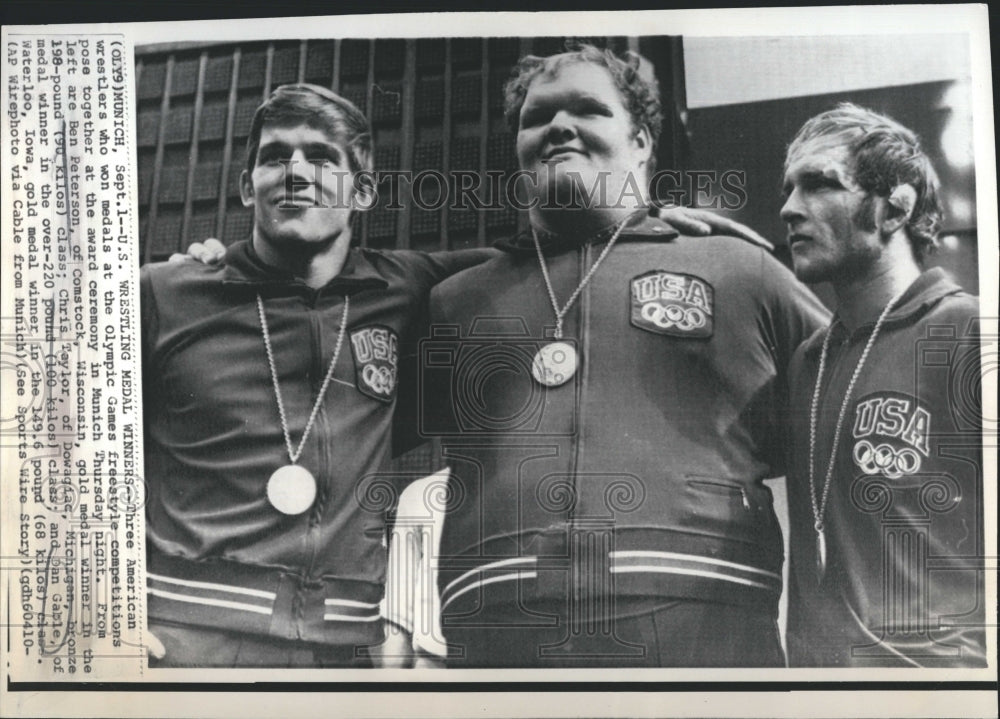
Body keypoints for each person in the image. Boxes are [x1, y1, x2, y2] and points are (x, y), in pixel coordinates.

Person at [421, 45, 828, 667]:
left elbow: (858, 412)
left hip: (701, 621)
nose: (559, 127)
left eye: (588, 109)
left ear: (641, 141)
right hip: (498, 629)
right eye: (538, 118)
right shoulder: (454, 300)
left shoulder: (741, 269)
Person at [141, 84, 497, 667]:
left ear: (364, 190)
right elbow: (47, 450)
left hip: (342, 651)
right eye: (275, 156)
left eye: (322, 157)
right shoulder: (164, 291)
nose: (295, 172)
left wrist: (652, 222)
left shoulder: (407, 288)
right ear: (246, 185)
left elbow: (543, 256)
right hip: (185, 635)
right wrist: (88, 615)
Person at [780, 103, 986, 667]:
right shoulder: (809, 360)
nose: (789, 208)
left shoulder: (970, 331)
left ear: (895, 209)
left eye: (820, 185)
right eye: (789, 188)